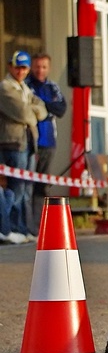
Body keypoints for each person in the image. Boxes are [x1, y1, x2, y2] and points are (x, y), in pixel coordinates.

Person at [0, 51, 47, 242]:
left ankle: (22, 228)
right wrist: (32, 112)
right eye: (17, 67)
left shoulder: (24, 89)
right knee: (15, 189)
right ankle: (9, 229)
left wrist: (32, 111)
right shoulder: (5, 87)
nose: (21, 71)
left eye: (24, 68)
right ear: (10, 67)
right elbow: (23, 113)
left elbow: (42, 110)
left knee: (26, 190)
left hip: (28, 143)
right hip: (12, 143)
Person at [25, 52, 66, 200]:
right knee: (26, 182)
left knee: (43, 185)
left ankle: (40, 218)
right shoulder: (26, 85)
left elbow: (61, 109)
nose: (40, 70)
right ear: (31, 67)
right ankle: (26, 220)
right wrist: (48, 106)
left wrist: (42, 104)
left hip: (48, 141)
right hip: (29, 141)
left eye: (44, 67)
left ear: (48, 68)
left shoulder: (53, 87)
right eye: (37, 67)